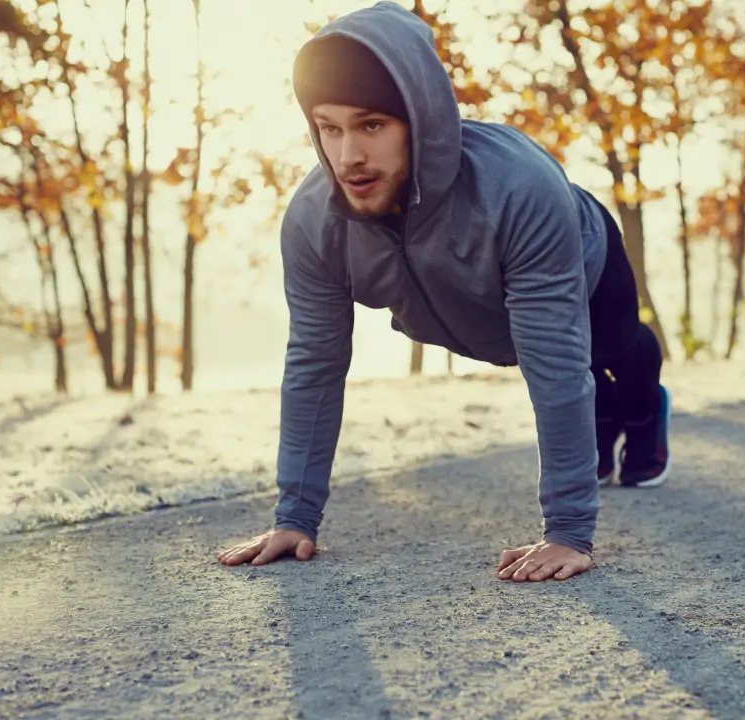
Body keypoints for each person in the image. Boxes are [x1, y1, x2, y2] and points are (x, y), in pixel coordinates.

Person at [216, 0, 670, 583]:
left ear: (419, 118)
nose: (348, 155)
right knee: (584, 386)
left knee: (612, 355)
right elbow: (314, 364)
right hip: (475, 314)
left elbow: (554, 365)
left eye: (371, 125)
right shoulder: (314, 223)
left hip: (582, 260)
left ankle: (638, 407)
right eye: (330, 128)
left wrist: (568, 532)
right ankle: (601, 418)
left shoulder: (519, 192)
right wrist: (295, 517)